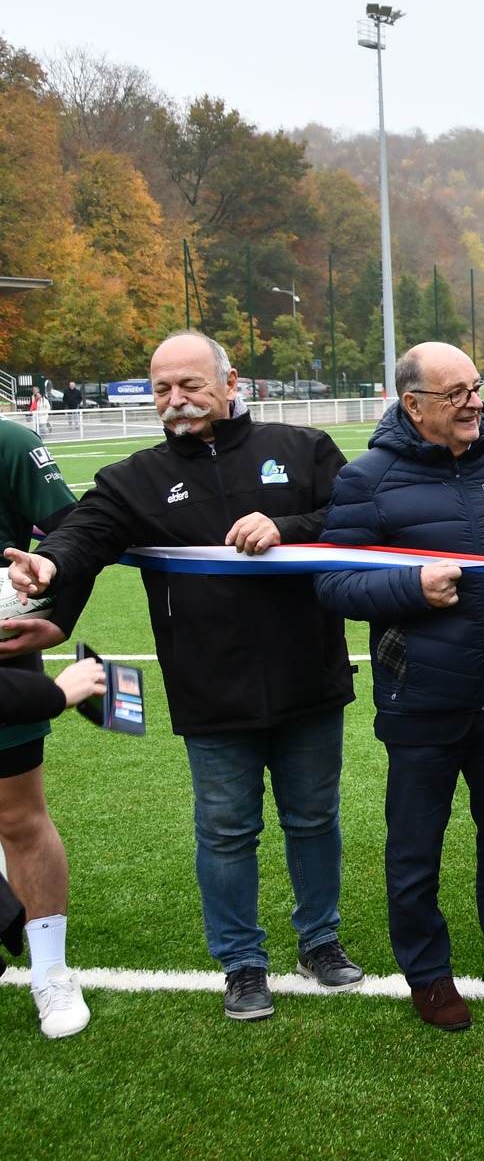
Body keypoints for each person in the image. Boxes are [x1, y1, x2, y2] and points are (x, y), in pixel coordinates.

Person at [6, 331, 362, 1025]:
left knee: (313, 817)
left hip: (308, 674)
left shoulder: (302, 449)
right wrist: (50, 566)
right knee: (226, 829)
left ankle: (319, 939)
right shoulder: (133, 478)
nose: (176, 400)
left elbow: (354, 520)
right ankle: (241, 960)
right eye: (162, 387)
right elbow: (85, 531)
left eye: (191, 384)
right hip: (210, 685)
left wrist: (286, 526)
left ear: (231, 382)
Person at [315, 343, 484, 1031]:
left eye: (475, 387)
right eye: (454, 392)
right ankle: (428, 972)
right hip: (421, 696)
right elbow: (333, 581)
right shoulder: (368, 478)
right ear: (413, 404)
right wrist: (411, 585)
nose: (472, 402)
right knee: (416, 844)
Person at [0, 419, 99, 1038]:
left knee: (16, 815)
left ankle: (51, 970)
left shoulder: (6, 443)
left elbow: (74, 532)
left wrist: (55, 616)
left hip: (5, 658)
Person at [0, 655, 104, 993]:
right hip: (14, 687)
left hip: (10, 665)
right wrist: (53, 694)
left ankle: (50, 972)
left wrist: (41, 602)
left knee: (18, 818)